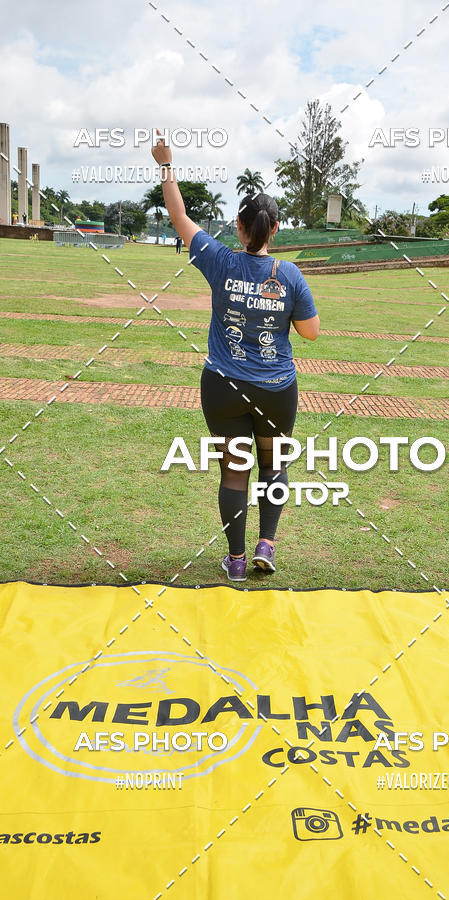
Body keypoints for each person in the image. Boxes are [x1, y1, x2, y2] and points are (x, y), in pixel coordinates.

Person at [152, 133, 319, 582]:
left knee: (234, 471)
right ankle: (267, 542)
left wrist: (166, 164)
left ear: (240, 228)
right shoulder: (289, 275)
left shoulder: (220, 260)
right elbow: (311, 333)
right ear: (275, 230)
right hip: (276, 388)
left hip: (222, 387)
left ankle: (238, 560)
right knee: (273, 464)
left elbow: (179, 216)